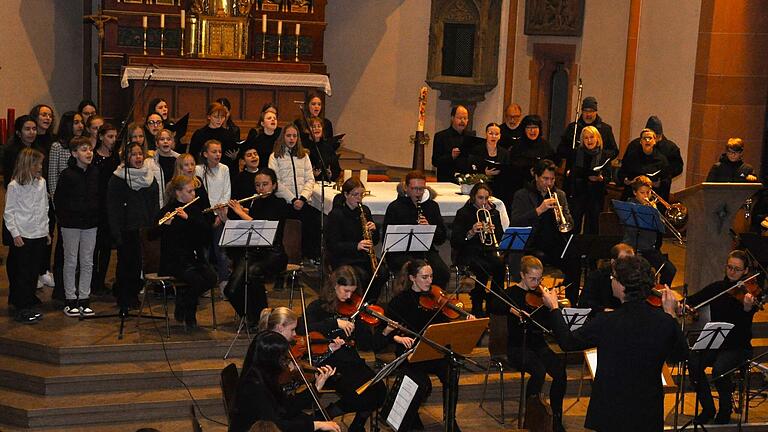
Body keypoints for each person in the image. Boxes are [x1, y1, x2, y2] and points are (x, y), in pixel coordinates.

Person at [541, 255, 687, 432]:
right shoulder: (663, 321)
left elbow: (567, 342)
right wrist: (670, 314)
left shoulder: (607, 321)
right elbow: (680, 354)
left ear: (622, 286)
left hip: (612, 410)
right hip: (647, 410)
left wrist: (554, 309)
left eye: (614, 277)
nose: (611, 280)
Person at [383, 259, 475, 432]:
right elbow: (387, 332)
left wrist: (465, 318)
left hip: (433, 349)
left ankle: (450, 420)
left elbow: (446, 326)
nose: (430, 281)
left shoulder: (437, 298)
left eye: (431, 276)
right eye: (424, 277)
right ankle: (411, 417)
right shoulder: (400, 302)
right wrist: (398, 338)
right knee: (422, 383)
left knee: (451, 373)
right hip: (410, 353)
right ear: (412, 278)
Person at [300, 266, 387, 431]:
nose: (348, 297)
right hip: (327, 361)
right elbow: (302, 328)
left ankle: (355, 423)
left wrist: (385, 331)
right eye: (345, 291)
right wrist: (335, 323)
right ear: (334, 286)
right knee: (360, 395)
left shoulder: (353, 309)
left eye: (352, 292)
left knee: (379, 391)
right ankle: (326, 415)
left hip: (351, 361)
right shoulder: (318, 307)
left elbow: (367, 344)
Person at [487, 255, 567, 431]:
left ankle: (556, 418)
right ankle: (532, 416)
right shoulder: (511, 294)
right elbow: (492, 305)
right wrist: (512, 309)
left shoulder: (541, 295)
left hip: (539, 345)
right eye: (532, 278)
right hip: (517, 347)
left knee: (560, 372)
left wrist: (553, 307)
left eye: (539, 279)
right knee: (539, 370)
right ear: (522, 275)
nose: (536, 282)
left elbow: (550, 322)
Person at [687, 250, 757, 424]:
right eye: (729, 267)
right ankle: (708, 408)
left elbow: (746, 320)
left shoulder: (748, 293)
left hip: (738, 347)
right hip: (716, 342)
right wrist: (685, 306)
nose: (732, 272)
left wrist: (748, 308)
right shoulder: (717, 288)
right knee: (694, 363)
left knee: (720, 369)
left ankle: (725, 411)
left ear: (746, 271)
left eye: (737, 269)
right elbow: (692, 300)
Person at [228, 331, 340, 432]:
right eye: (282, 358)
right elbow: (276, 425)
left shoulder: (265, 375)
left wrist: (315, 387)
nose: (285, 363)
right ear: (271, 359)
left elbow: (285, 407)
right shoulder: (253, 386)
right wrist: (316, 425)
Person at [509, 159, 579, 304]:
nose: (549, 183)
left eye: (552, 179)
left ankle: (571, 303)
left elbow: (570, 222)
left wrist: (563, 218)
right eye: (545, 179)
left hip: (554, 244)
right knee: (537, 259)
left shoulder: (559, 195)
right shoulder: (522, 195)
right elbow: (515, 221)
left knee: (574, 261)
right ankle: (533, 303)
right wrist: (539, 210)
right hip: (530, 245)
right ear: (536, 177)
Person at [224, 168, 289, 321]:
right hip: (253, 253)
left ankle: (261, 318)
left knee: (253, 273)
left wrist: (240, 212)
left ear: (274, 185)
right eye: (258, 185)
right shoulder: (256, 203)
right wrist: (225, 216)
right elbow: (247, 226)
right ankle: (251, 317)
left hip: (274, 254)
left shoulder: (280, 204)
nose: (261, 188)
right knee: (230, 290)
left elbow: (261, 226)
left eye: (265, 184)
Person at [158, 175, 217, 330]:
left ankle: (183, 302)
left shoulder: (194, 210)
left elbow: (206, 234)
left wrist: (188, 218)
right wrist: (166, 225)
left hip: (193, 258)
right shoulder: (167, 210)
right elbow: (151, 235)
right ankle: (190, 314)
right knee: (196, 280)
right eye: (190, 191)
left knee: (211, 278)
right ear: (178, 193)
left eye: (193, 191)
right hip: (173, 260)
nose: (194, 195)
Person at [107, 141, 160, 314]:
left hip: (143, 228)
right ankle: (123, 297)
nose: (138, 157)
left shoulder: (149, 177)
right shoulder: (118, 178)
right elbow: (113, 207)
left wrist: (153, 226)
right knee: (125, 265)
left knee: (138, 265)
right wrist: (116, 232)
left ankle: (134, 295)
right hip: (126, 228)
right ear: (126, 157)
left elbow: (154, 204)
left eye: (140, 154)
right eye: (133, 154)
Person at [54, 136, 99, 317]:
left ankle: (85, 298)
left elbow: (98, 197)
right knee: (71, 261)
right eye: (83, 149)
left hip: (90, 223)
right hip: (71, 224)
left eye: (90, 149)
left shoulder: (95, 172)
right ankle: (70, 299)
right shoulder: (67, 174)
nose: (88, 153)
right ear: (74, 153)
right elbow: (59, 199)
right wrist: (65, 217)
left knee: (87, 261)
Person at [382, 171, 450, 288]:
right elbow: (386, 239)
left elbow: (441, 238)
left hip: (425, 251)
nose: (418, 193)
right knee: (415, 272)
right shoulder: (395, 207)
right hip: (399, 253)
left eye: (421, 189)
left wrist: (429, 228)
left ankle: (433, 303)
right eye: (414, 189)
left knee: (442, 272)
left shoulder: (432, 206)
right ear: (406, 188)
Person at [4, 148, 49, 324]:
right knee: (21, 272)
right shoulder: (14, 186)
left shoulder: (41, 183)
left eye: (41, 164)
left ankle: (29, 302)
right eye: (37, 164)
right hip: (23, 235)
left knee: (33, 272)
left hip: (38, 233)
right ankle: (21, 307)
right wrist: (15, 233)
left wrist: (45, 231)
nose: (40, 167)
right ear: (27, 164)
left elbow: (44, 208)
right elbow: (9, 212)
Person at [325, 178, 387, 303]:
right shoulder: (336, 214)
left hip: (363, 256)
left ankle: (369, 303)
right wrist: (356, 246)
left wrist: (374, 230)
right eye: (355, 195)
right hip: (343, 257)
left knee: (382, 272)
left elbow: (374, 242)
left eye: (361, 195)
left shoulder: (365, 211)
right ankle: (354, 304)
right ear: (346, 194)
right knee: (361, 276)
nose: (359, 198)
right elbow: (333, 245)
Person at [269, 123, 321, 261]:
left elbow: (310, 179)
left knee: (315, 220)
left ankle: (309, 255)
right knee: (281, 225)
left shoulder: (303, 156)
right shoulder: (275, 156)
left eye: (294, 136)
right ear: (283, 137)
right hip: (285, 202)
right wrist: (292, 199)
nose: (292, 139)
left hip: (302, 201)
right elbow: (276, 182)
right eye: (288, 136)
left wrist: (302, 198)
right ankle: (281, 256)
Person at [450, 182, 504, 316]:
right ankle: (477, 303)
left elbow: (501, 237)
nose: (484, 202)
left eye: (486, 198)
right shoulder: (463, 213)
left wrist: (494, 230)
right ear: (473, 197)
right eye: (480, 198)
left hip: (487, 250)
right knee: (483, 267)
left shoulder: (494, 213)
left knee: (500, 265)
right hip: (467, 251)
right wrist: (471, 232)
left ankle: (494, 303)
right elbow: (455, 241)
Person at [621, 176, 677, 286]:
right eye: (642, 193)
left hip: (649, 249)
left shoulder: (652, 207)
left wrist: (655, 213)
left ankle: (660, 295)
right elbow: (631, 230)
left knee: (670, 270)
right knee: (642, 274)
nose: (646, 196)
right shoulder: (628, 207)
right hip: (631, 247)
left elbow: (661, 229)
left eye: (648, 192)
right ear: (634, 192)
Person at [195, 139, 232, 293]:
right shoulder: (198, 170)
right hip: (204, 216)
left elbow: (226, 192)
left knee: (221, 252)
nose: (218, 155)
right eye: (214, 151)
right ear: (205, 154)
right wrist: (210, 214)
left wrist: (218, 214)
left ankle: (224, 282)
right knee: (204, 251)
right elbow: (200, 195)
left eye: (219, 152)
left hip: (220, 215)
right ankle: (205, 283)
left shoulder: (224, 169)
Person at [91, 123, 120, 295]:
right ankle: (93, 281)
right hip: (96, 206)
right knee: (94, 247)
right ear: (101, 137)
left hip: (110, 206)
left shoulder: (115, 157)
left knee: (106, 246)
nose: (113, 140)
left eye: (115, 136)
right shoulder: (93, 157)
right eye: (110, 136)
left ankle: (101, 280)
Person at [625, 116, 683, 201]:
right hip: (634, 194)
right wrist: (628, 179)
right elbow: (625, 167)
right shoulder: (634, 146)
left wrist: (662, 179)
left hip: (659, 193)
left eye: (656, 137)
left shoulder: (670, 148)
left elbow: (678, 168)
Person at [565, 126, 610, 234]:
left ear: (597, 138)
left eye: (591, 137)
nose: (589, 140)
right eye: (586, 138)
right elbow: (569, 172)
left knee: (592, 226)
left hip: (595, 195)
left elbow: (608, 175)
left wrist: (601, 178)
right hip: (578, 193)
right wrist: (579, 174)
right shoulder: (576, 153)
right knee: (574, 224)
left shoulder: (604, 155)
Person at [556, 96, 618, 173]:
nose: (588, 114)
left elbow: (614, 151)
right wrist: (575, 152)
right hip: (576, 172)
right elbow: (561, 149)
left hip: (597, 172)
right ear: (582, 111)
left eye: (591, 111)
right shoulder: (573, 128)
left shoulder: (605, 129)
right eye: (585, 111)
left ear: (596, 112)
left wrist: (600, 155)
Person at [577, 243, 635, 314]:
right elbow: (584, 303)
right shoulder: (597, 276)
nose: (628, 265)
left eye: (631, 261)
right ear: (613, 262)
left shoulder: (634, 277)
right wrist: (604, 310)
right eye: (623, 261)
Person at [617, 128, 671, 200]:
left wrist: (659, 184)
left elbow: (667, 180)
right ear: (640, 141)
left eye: (650, 138)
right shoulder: (631, 157)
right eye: (645, 138)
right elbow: (621, 173)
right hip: (632, 197)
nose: (647, 141)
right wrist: (626, 180)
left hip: (652, 198)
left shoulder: (662, 160)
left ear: (655, 141)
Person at [508, 114, 556, 194]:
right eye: (529, 128)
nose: (532, 131)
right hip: (521, 185)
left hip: (543, 186)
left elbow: (553, 164)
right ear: (524, 129)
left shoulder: (545, 145)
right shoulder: (517, 146)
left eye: (535, 127)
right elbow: (513, 169)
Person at [190, 103, 239, 175]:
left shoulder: (228, 134)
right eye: (216, 117)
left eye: (222, 117)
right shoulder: (200, 134)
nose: (219, 120)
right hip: (204, 171)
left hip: (223, 172)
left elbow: (232, 157)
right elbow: (193, 154)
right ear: (209, 117)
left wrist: (235, 156)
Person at [467, 122, 510, 204]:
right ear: (486, 134)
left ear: (500, 136)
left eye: (496, 134)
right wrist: (484, 173)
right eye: (491, 133)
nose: (493, 136)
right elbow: (471, 169)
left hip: (499, 188)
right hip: (481, 187)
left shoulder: (505, 153)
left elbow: (508, 172)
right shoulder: (477, 150)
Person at [432, 105, 472, 182]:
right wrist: (451, 156)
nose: (462, 121)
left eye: (465, 118)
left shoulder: (470, 137)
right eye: (460, 118)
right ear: (452, 118)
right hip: (446, 180)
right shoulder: (441, 136)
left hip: (465, 181)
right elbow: (435, 161)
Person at [244, 103, 281, 170]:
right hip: (259, 169)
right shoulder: (256, 135)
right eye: (269, 118)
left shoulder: (281, 135)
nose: (273, 119)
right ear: (262, 123)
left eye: (274, 117)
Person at [305, 116, 341, 182]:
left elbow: (336, 169)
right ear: (307, 130)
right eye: (313, 126)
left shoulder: (327, 147)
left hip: (325, 183)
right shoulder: (304, 147)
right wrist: (312, 174)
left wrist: (330, 174)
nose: (317, 129)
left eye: (319, 126)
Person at [151, 129, 180, 208]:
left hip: (176, 200)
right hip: (159, 201)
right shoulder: (150, 161)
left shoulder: (179, 159)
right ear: (157, 143)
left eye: (168, 139)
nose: (165, 141)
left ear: (172, 142)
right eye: (162, 139)